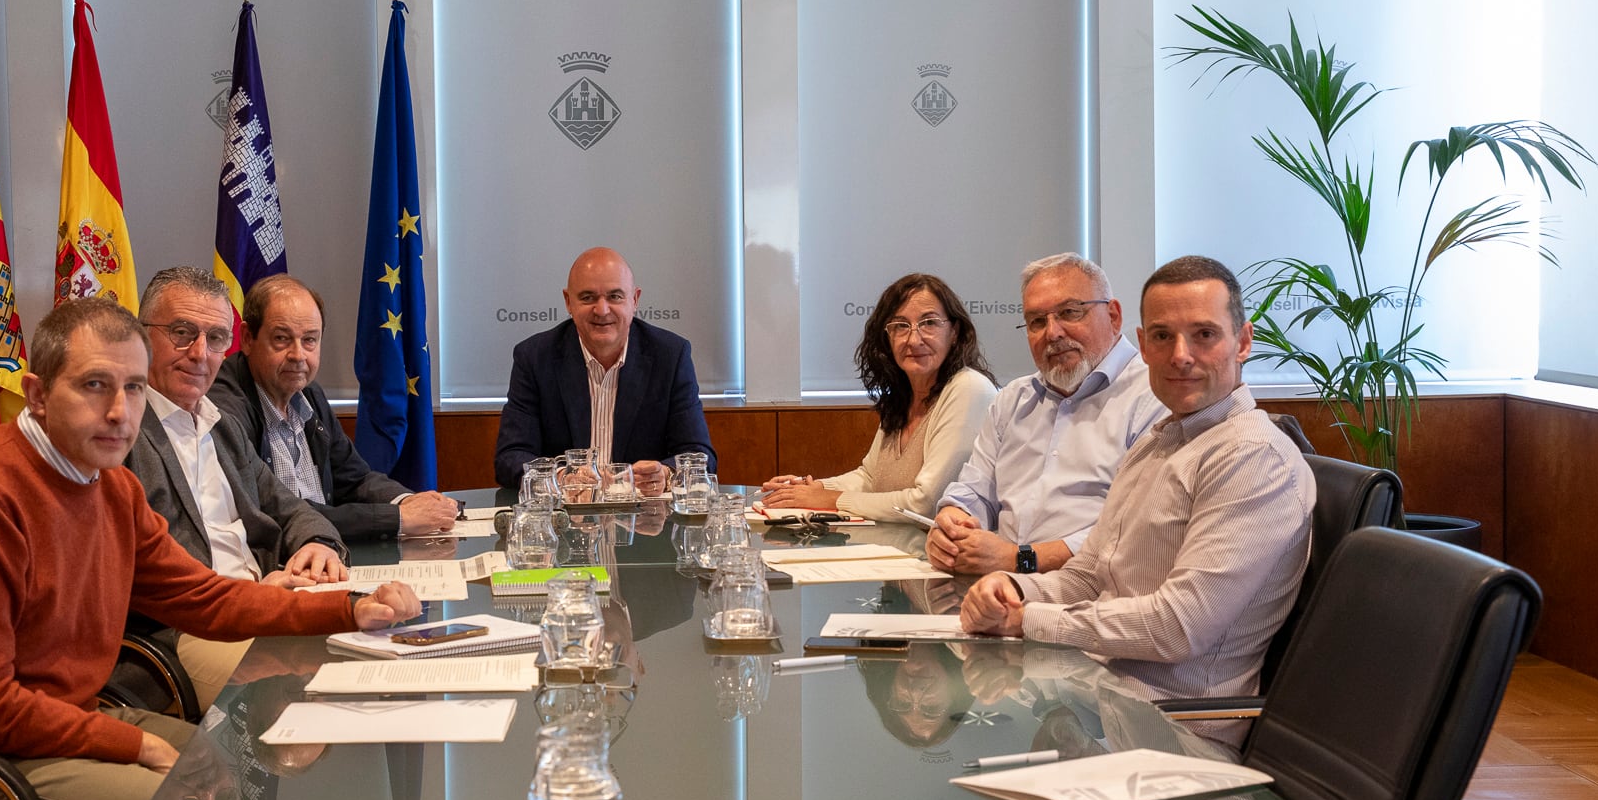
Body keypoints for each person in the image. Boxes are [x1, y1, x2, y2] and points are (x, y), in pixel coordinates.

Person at [0, 296, 421, 800]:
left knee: (231, 778)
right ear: (36, 394)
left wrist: (348, 608)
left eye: (131, 388)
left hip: (53, 728)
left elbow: (203, 599)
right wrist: (132, 743)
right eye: (94, 386)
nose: (119, 412)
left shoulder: (109, 487)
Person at [958, 256, 1315, 748]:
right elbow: (1089, 575)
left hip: (1178, 736)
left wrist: (1029, 618)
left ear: (1244, 342)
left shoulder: (1251, 457)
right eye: (1164, 337)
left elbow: (1177, 627)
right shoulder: (1159, 441)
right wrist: (1015, 591)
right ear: (1143, 346)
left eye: (1205, 335)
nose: (1181, 355)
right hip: (1097, 704)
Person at [125, 266, 356, 709]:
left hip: (261, 604)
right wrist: (248, 601)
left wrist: (319, 542)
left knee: (377, 636)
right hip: (190, 631)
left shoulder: (220, 425)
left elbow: (289, 508)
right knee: (333, 660)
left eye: (215, 339)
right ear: (141, 336)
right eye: (181, 332)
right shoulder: (123, 435)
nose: (200, 353)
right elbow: (145, 573)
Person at [928, 253, 1165, 578]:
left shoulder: (1155, 395)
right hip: (998, 590)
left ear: (1113, 315)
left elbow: (1135, 531)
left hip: (1095, 596)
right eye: (1037, 321)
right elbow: (975, 489)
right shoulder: (1012, 400)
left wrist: (1019, 559)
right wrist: (954, 522)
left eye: (1070, 312)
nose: (1052, 333)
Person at [209, 274, 459, 542]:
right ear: (247, 338)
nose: (298, 355)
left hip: (325, 548)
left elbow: (355, 479)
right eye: (282, 338)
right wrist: (397, 519)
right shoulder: (224, 410)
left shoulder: (307, 393)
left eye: (309, 340)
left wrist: (407, 501)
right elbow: (274, 514)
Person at [761, 273, 996, 522]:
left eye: (929, 323)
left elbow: (926, 503)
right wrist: (809, 490)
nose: (914, 339)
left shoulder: (969, 388)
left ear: (954, 332)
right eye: (901, 326)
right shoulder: (903, 395)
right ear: (887, 337)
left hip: (945, 555)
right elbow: (870, 478)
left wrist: (830, 499)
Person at [492, 246, 714, 494]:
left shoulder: (670, 355)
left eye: (615, 297)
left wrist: (665, 474)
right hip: (563, 523)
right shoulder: (534, 358)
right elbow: (509, 459)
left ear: (635, 300)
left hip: (644, 522)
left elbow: (699, 456)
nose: (602, 310)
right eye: (587, 297)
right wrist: (561, 477)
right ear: (568, 302)